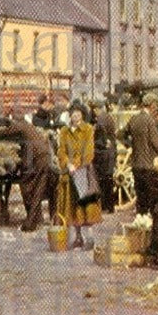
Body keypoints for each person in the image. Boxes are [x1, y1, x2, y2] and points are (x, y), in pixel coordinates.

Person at [0, 114, 54, 231]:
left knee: (27, 188)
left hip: (37, 161)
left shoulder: (21, 126)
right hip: (45, 159)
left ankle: (30, 224)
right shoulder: (31, 128)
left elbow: (5, 133)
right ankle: (36, 219)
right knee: (37, 190)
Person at [55, 103, 101, 249]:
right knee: (72, 208)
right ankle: (78, 237)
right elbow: (61, 150)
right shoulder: (64, 131)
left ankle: (90, 238)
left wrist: (79, 165)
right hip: (69, 173)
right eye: (73, 114)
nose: (75, 116)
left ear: (82, 115)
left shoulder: (88, 129)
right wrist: (67, 164)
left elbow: (89, 150)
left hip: (83, 172)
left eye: (78, 113)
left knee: (86, 206)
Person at [118, 92, 158, 217]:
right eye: (156, 106)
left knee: (140, 201)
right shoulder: (150, 121)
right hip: (149, 166)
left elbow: (120, 135)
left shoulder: (134, 119)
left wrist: (130, 146)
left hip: (136, 165)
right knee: (150, 201)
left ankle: (139, 225)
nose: (157, 109)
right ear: (152, 105)